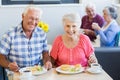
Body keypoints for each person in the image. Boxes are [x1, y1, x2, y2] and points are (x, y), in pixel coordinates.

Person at [0, 6, 52, 72]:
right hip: (17, 73)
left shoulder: (41, 33)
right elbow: (1, 57)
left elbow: (45, 53)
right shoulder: (9, 34)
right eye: (31, 18)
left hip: (37, 72)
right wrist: (9, 64)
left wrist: (47, 61)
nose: (33, 22)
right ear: (23, 16)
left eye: (37, 19)